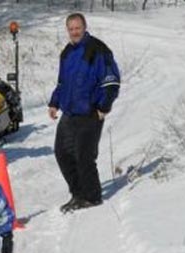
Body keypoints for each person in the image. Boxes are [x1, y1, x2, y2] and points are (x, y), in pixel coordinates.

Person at [48, 13, 121, 213]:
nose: (74, 31)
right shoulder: (67, 53)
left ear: (84, 26)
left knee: (84, 156)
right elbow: (62, 82)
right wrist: (54, 103)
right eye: (71, 28)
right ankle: (78, 193)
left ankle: (92, 197)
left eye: (77, 27)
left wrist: (103, 107)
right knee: (62, 153)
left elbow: (111, 81)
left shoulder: (97, 49)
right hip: (69, 112)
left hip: (90, 112)